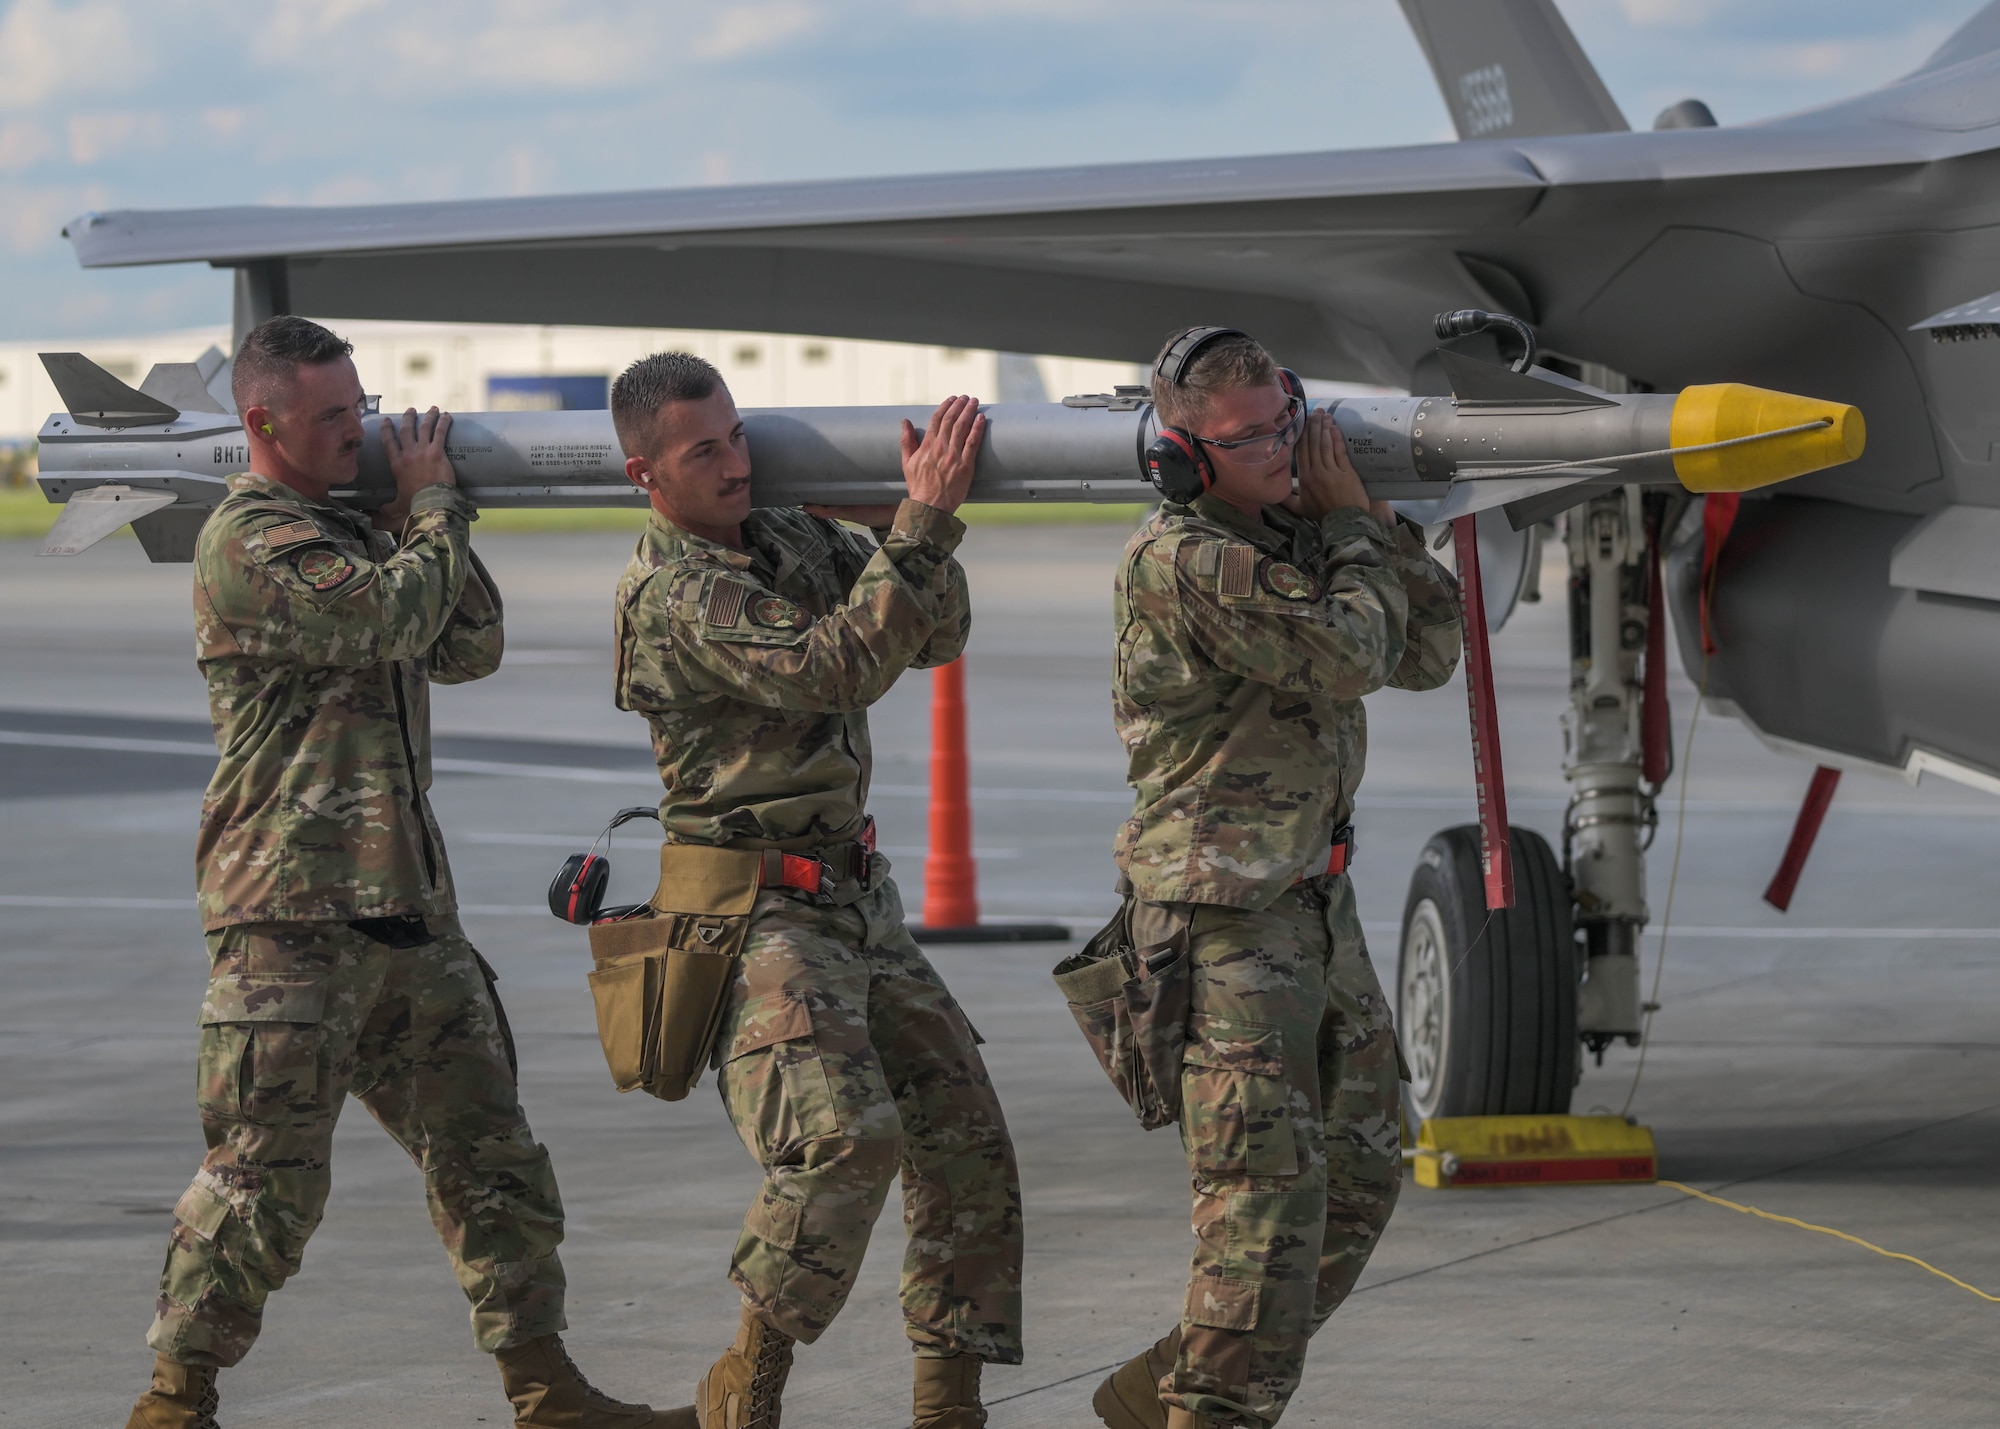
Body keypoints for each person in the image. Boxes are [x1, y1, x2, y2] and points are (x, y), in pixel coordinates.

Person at [126, 316, 675, 1429]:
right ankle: (173, 1406)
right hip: (289, 922)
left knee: (494, 1164)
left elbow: (465, 642)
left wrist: (413, 521)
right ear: (260, 422)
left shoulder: (350, 532)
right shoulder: (253, 540)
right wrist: (428, 511)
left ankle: (546, 1390)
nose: (358, 429)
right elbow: (386, 615)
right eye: (331, 416)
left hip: (406, 918)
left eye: (361, 406)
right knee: (262, 1189)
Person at [610, 352, 1022, 1429]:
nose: (735, 464)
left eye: (739, 437)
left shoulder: (788, 537)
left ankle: (948, 1403)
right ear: (643, 473)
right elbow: (838, 665)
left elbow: (934, 634)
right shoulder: (675, 589)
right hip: (753, 911)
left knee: (964, 1132)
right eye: (705, 451)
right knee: (842, 1141)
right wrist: (917, 524)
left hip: (851, 896)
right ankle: (746, 1382)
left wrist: (904, 531)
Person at [1093, 328, 1463, 1429]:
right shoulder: (1185, 558)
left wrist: (1371, 533)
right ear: (1180, 455)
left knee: (1354, 1183)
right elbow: (1351, 655)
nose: (1275, 449)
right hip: (1223, 922)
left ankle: (1173, 1381)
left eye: (1282, 424)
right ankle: (1206, 1410)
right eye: (1246, 437)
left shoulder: (1288, 537)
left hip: (1311, 903)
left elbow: (1428, 651)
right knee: (1257, 1211)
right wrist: (1351, 528)